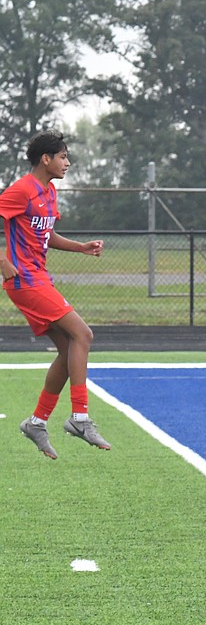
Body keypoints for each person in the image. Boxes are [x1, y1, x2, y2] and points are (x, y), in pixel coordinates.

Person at [2, 129, 110, 459]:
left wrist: (80, 247)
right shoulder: (21, 190)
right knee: (83, 334)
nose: (68, 162)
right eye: (63, 156)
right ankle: (80, 418)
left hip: (39, 279)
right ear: (46, 159)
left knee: (68, 351)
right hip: (25, 282)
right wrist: (2, 262)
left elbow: (45, 234)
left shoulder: (49, 191)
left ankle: (36, 422)